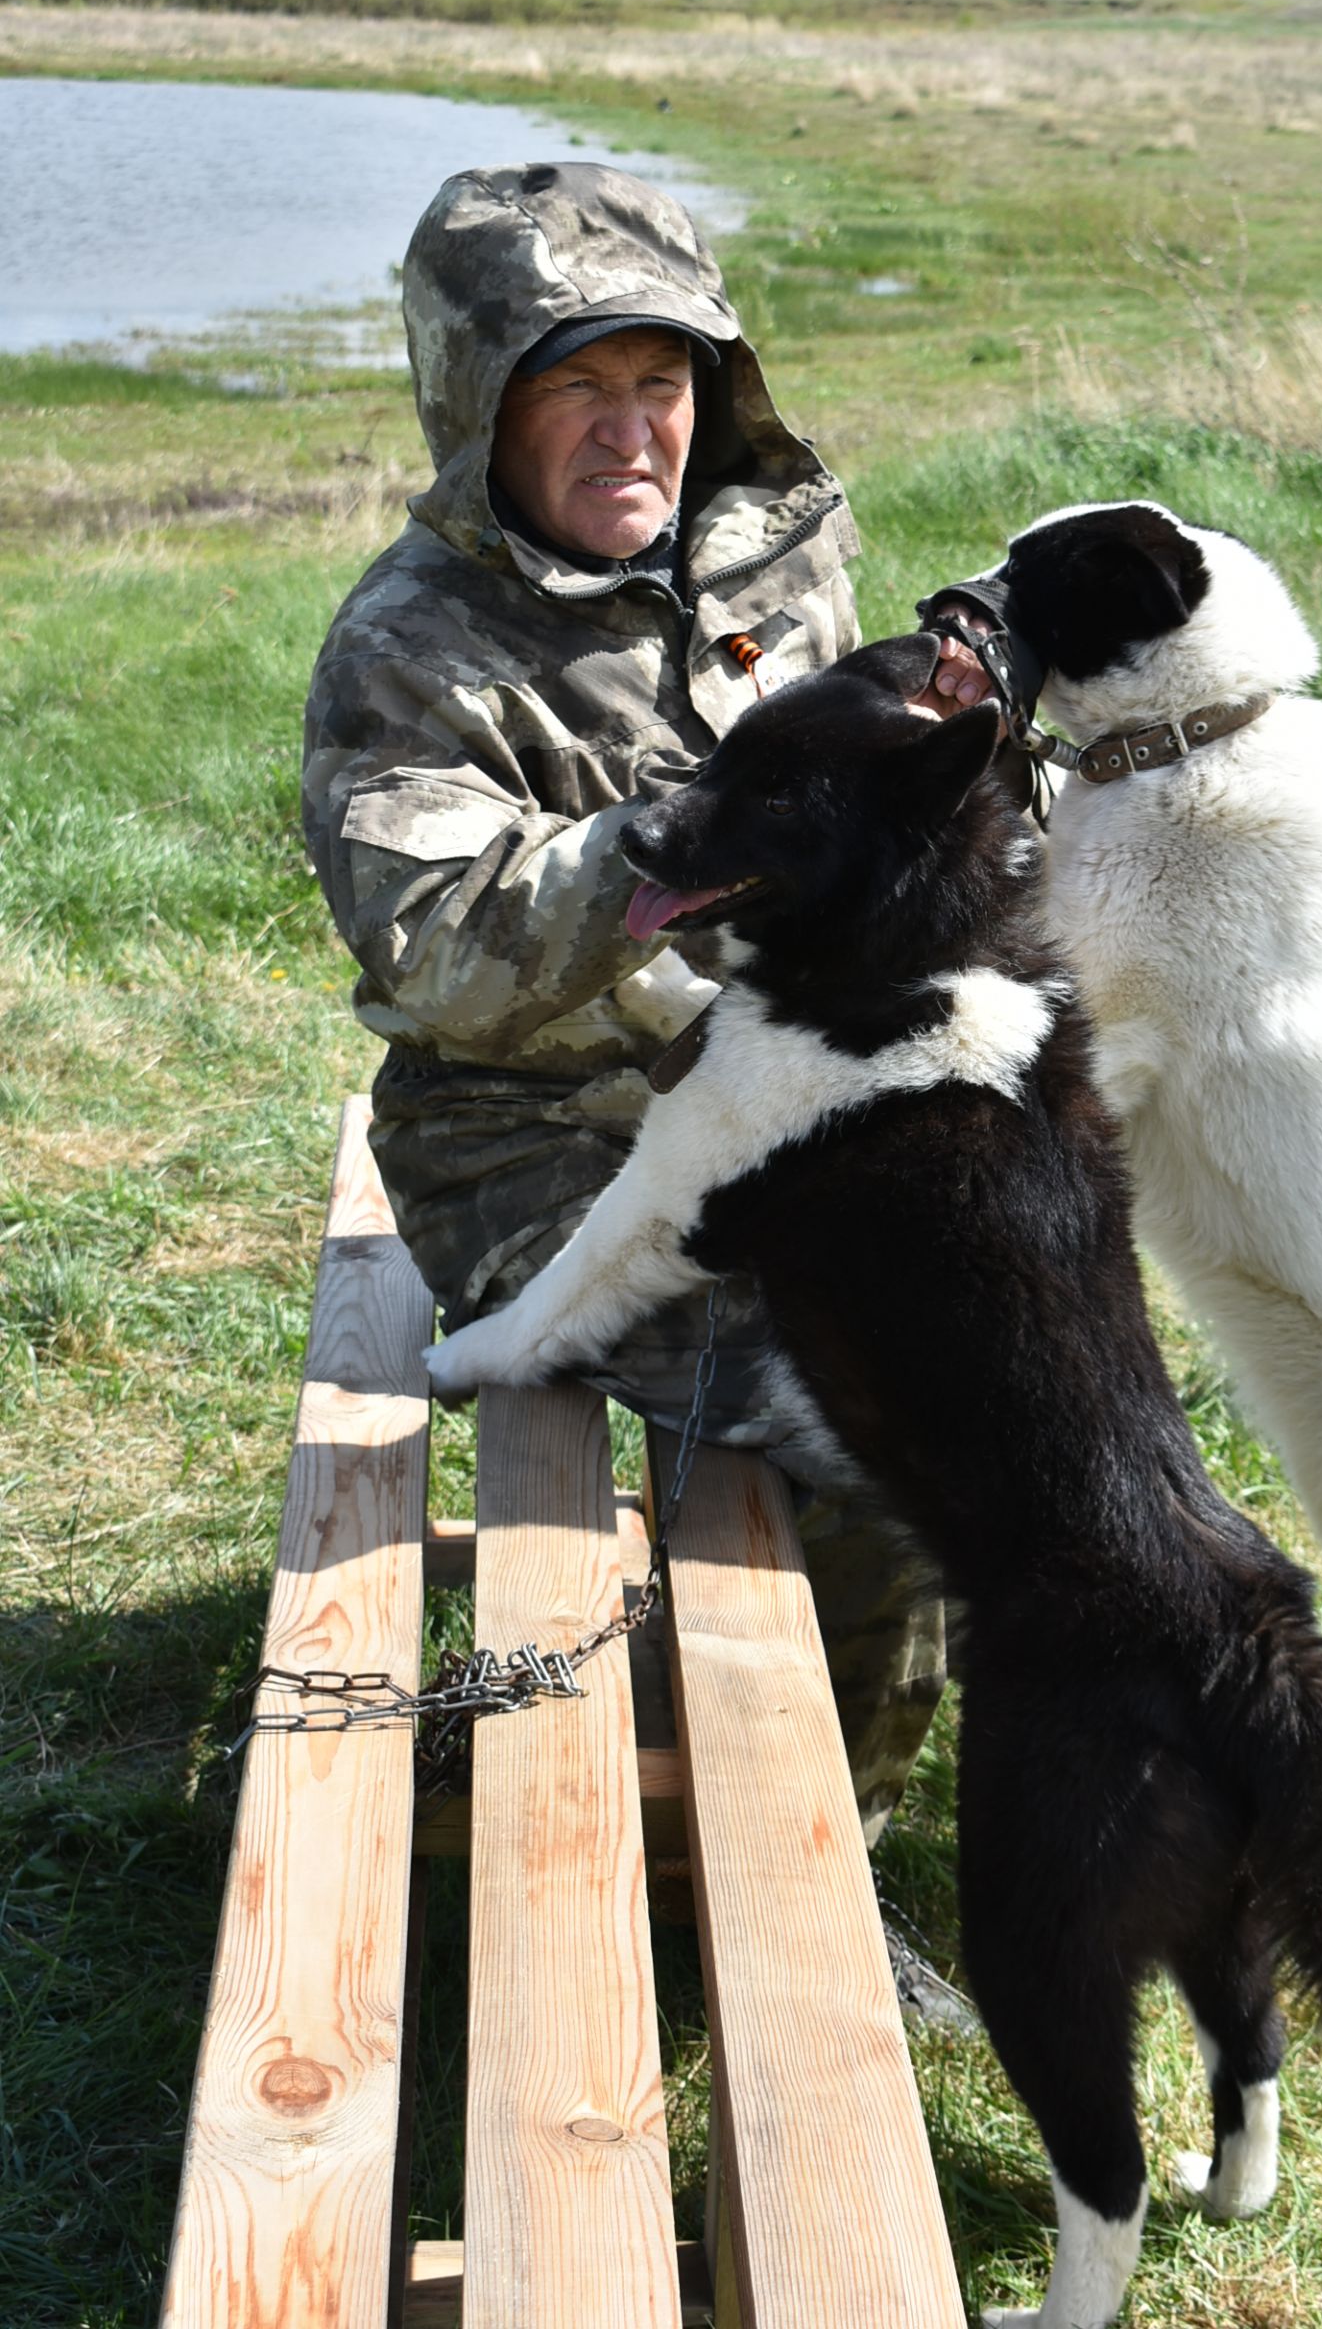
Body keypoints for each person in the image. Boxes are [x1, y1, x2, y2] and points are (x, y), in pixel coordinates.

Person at [303, 157, 979, 1843]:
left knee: (1026, 1340)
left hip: (784, 1092)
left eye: (662, 383)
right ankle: (779, 1864)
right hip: (539, 1139)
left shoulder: (779, 553)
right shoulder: (413, 645)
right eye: (575, 388)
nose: (632, 433)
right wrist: (696, 839)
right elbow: (441, 951)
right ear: (478, 410)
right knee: (877, 1421)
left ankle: (842, 1800)